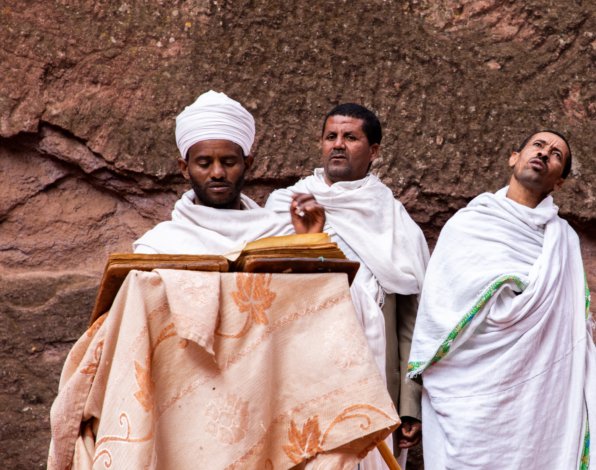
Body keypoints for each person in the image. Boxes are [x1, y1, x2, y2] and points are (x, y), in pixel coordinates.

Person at [407, 131, 596, 469]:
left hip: (539, 397)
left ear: (559, 183)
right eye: (538, 146)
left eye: (556, 154)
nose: (545, 154)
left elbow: (570, 328)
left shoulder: (564, 242)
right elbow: (437, 311)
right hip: (472, 388)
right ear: (514, 157)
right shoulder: (468, 225)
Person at [266, 103, 430, 469]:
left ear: (373, 152)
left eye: (350, 137)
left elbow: (412, 325)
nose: (338, 145)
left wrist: (409, 406)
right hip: (298, 377)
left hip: (375, 384)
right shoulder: (284, 207)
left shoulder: (396, 224)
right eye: (331, 137)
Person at [133, 90, 324, 255]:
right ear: (185, 169)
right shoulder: (160, 246)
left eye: (229, 162)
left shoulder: (281, 236)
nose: (217, 173)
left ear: (247, 165)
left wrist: (310, 245)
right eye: (205, 163)